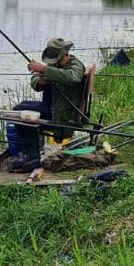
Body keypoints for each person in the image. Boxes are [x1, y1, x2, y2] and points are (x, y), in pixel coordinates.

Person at [10, 37, 85, 170]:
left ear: (66, 54)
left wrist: (45, 69)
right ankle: (30, 152)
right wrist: (40, 80)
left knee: (20, 114)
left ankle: (32, 157)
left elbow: (72, 77)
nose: (54, 63)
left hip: (61, 115)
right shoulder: (56, 67)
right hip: (52, 108)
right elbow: (35, 82)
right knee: (19, 108)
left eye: (57, 59)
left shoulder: (76, 65)